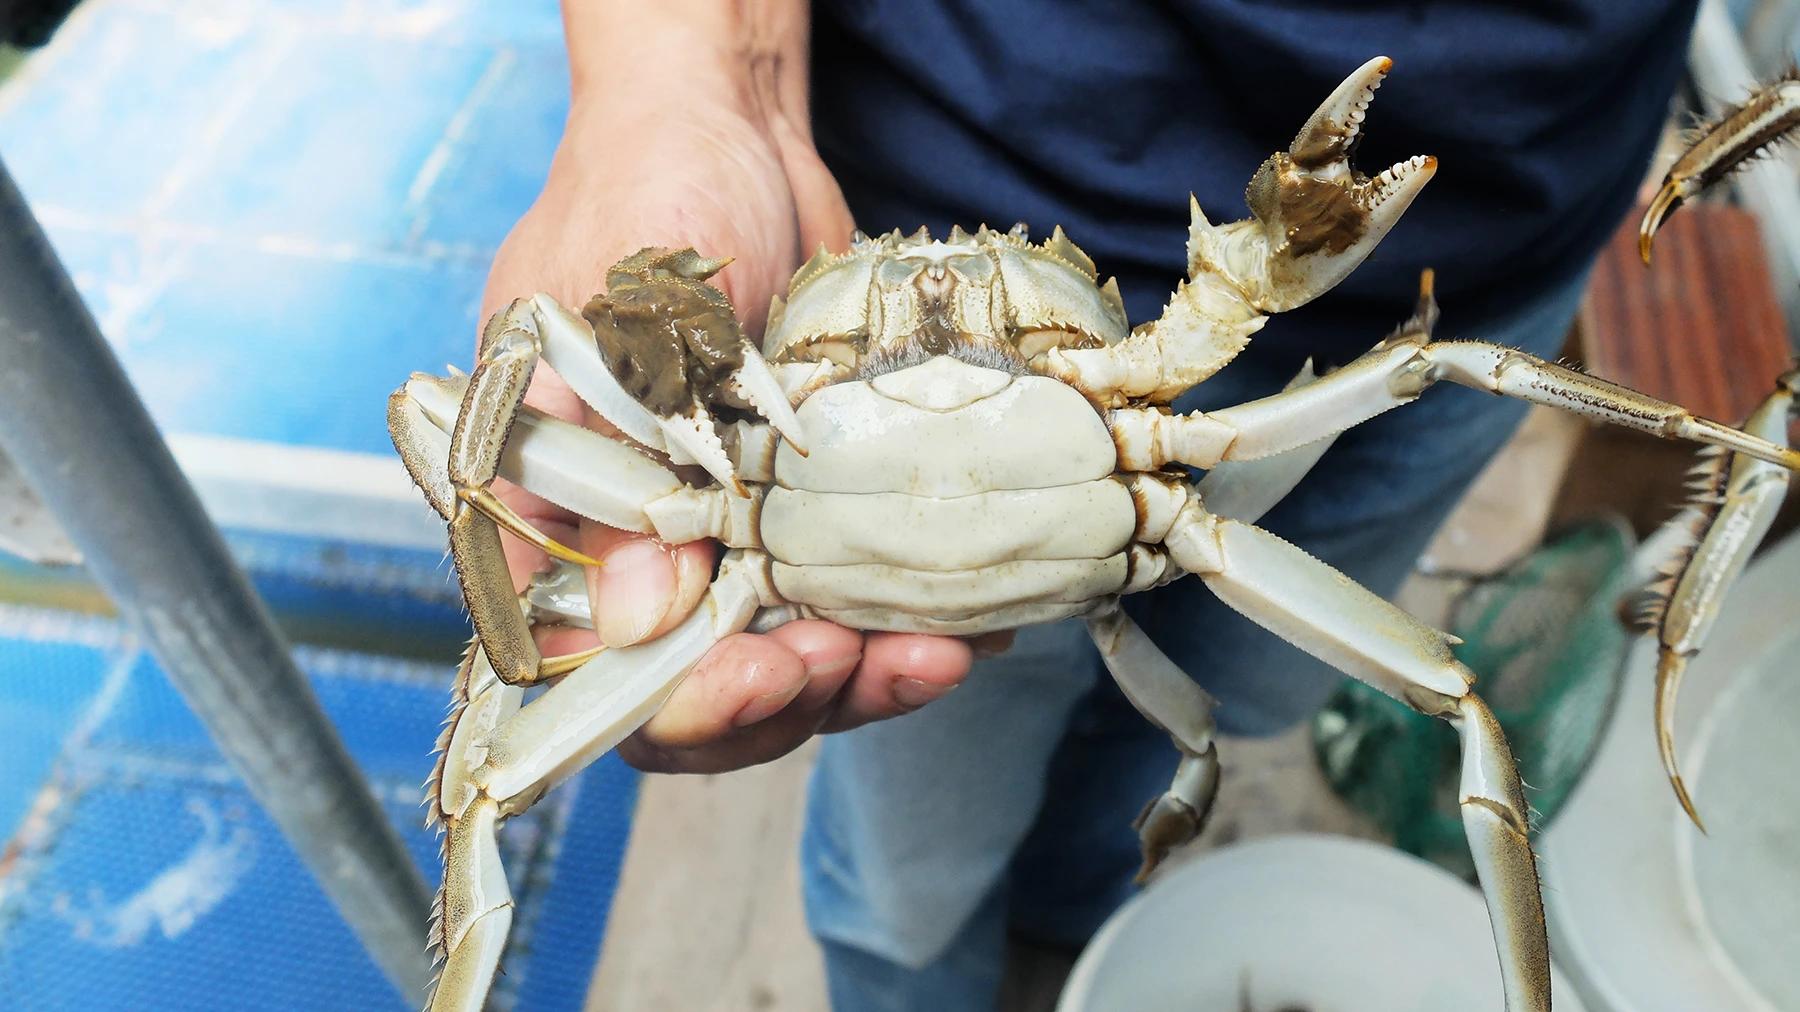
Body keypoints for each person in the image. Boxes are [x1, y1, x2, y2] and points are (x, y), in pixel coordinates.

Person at [487, 2, 1700, 1007]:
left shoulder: (1162, 394)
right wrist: (687, 92)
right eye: (894, 291)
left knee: (1243, 696)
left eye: (993, 282)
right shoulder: (746, 413)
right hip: (940, 137)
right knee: (906, 866)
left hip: (1506, 223)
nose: (947, 313)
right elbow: (482, 395)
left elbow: (1438, 364)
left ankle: (1086, 896)